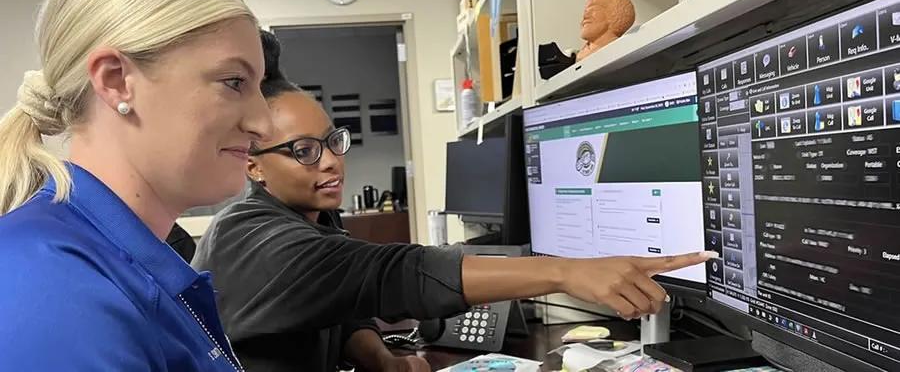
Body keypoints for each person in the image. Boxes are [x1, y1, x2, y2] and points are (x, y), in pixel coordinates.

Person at [192, 30, 716, 372]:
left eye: (333, 141)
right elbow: (389, 273)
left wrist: (380, 357)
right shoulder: (250, 236)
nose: (330, 161)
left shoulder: (311, 216)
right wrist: (566, 271)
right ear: (253, 164)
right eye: (303, 151)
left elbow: (338, 303)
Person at [0, 0, 273, 371]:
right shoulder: (56, 287)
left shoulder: (120, 261)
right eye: (234, 81)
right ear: (116, 81)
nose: (264, 124)